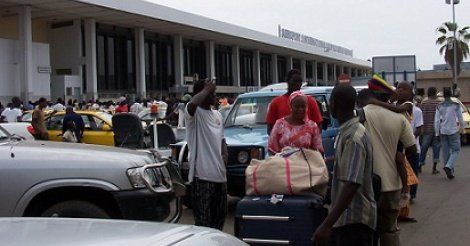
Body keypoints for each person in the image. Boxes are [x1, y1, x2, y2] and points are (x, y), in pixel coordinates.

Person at [312, 84, 376, 246]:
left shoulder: (353, 137)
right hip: (345, 219)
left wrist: (327, 225)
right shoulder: (345, 132)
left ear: (333, 104)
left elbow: (352, 183)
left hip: (355, 220)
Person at [363, 75, 416, 246]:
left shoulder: (360, 115)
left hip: (364, 185)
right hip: (391, 185)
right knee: (389, 230)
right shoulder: (399, 118)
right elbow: (412, 149)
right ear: (387, 95)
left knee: (365, 230)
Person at [185, 79, 228, 230]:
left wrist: (224, 155)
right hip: (202, 177)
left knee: (219, 221)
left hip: (219, 176)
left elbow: (222, 140)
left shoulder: (218, 115)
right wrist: (205, 90)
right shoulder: (194, 114)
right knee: (203, 224)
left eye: (213, 93)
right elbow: (191, 104)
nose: (213, 96)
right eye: (210, 93)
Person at [266, 69, 323, 135]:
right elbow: (270, 130)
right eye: (295, 81)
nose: (298, 84)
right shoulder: (276, 102)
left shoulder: (310, 101)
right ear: (287, 81)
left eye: (300, 82)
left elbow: (318, 126)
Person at [435, 87, 464, 179]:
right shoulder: (456, 104)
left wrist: (437, 132)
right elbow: (460, 118)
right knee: (456, 150)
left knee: (446, 152)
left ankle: (450, 172)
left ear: (443, 95)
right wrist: (462, 128)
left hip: (443, 130)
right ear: (451, 94)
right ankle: (448, 167)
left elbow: (436, 121)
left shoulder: (439, 105)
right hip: (453, 130)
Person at [419, 87, 441, 174]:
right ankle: (434, 168)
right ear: (435, 93)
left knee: (424, 148)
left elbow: (421, 115)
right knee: (436, 148)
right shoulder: (439, 102)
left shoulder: (424, 102)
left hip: (426, 128)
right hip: (436, 129)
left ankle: (420, 165)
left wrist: (421, 129)